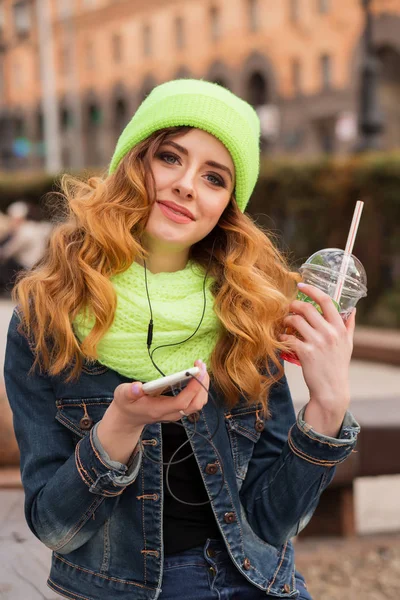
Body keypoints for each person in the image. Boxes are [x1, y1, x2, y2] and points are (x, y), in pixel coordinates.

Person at [4, 79, 360, 600]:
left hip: (259, 583)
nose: (188, 185)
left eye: (214, 177)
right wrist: (119, 428)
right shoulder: (46, 316)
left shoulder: (244, 313)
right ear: (132, 163)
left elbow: (271, 523)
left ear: (226, 206)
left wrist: (328, 405)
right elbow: (56, 529)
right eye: (170, 158)